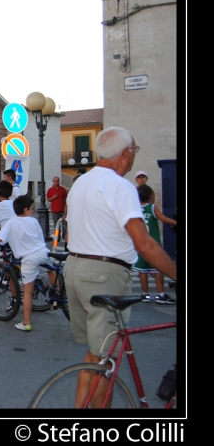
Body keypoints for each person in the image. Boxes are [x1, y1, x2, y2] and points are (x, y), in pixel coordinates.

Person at [64, 126, 176, 407]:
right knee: (107, 361)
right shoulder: (121, 186)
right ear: (125, 154)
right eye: (135, 151)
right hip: (105, 273)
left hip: (76, 268)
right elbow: (145, 244)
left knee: (94, 354)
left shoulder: (81, 182)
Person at [0, 195, 56, 332]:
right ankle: (56, 293)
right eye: (31, 209)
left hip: (29, 258)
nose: (32, 211)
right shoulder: (34, 221)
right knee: (51, 270)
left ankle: (26, 323)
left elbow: (0, 238)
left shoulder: (12, 222)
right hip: (43, 252)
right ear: (25, 210)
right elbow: (41, 239)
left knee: (28, 292)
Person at [135, 184, 177, 304]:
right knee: (158, 268)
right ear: (149, 196)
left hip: (140, 241)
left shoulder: (135, 209)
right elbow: (163, 219)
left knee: (142, 270)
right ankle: (160, 295)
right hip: (153, 242)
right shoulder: (152, 207)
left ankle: (145, 294)